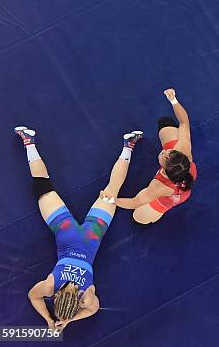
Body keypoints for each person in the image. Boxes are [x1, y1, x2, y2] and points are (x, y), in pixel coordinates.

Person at [15, 126, 143, 331]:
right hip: (66, 232)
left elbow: (92, 309)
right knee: (42, 186)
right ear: (56, 297)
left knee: (112, 190)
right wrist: (50, 319)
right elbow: (33, 296)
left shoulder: (87, 294)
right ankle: (29, 142)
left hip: (92, 236)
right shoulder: (50, 286)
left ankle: (128, 146)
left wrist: (69, 319)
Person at [115, 88, 196, 224]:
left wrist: (111, 201)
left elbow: (135, 202)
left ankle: (158, 212)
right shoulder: (184, 148)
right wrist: (173, 100)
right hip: (180, 175)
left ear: (164, 169)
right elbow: (184, 122)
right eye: (169, 152)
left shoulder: (159, 187)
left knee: (138, 217)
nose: (164, 151)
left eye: (165, 156)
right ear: (178, 154)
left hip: (172, 196)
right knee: (165, 124)